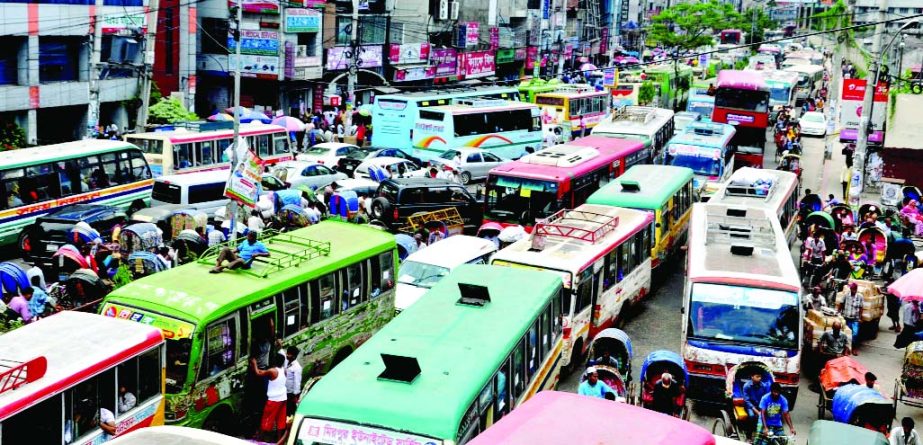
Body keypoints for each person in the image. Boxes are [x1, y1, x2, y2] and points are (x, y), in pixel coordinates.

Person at [251, 353, 287, 442]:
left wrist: (254, 363)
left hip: (274, 400)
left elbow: (258, 373)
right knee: (280, 420)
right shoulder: (284, 370)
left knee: (266, 420)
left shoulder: (272, 371)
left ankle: (259, 440)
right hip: (282, 398)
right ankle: (279, 440)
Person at [838, 282, 863, 355]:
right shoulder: (846, 295)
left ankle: (854, 348)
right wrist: (838, 313)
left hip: (855, 318)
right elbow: (841, 304)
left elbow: (861, 307)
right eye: (850, 288)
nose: (851, 290)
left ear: (855, 289)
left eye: (852, 289)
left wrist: (860, 318)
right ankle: (846, 348)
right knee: (846, 334)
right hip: (846, 317)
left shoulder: (860, 297)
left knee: (855, 334)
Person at [282, 346, 302, 415]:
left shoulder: (297, 367)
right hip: (285, 391)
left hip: (290, 394)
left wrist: (295, 395)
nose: (287, 355)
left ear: (293, 356)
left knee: (289, 411)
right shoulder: (287, 362)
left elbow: (297, 382)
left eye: (289, 354)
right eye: (287, 353)